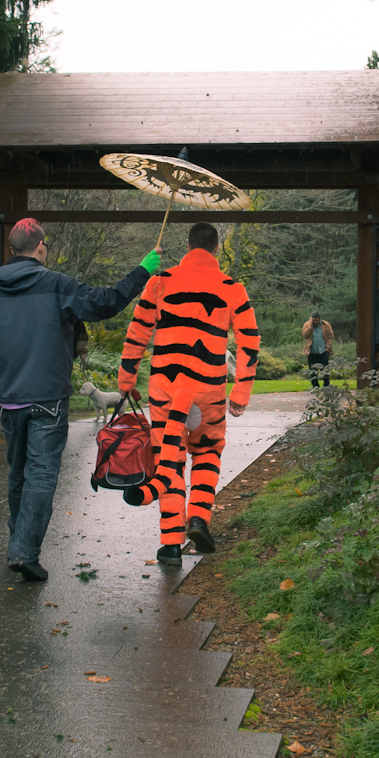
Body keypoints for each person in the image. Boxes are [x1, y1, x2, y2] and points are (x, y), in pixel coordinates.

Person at [0, 218, 161, 582]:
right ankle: (24, 551)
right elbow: (105, 302)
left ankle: (18, 541)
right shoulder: (57, 285)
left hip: (9, 400)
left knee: (19, 472)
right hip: (48, 398)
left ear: (12, 250)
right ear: (40, 247)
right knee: (41, 473)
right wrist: (142, 271)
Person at [116, 222, 261, 567]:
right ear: (215, 248)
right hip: (208, 392)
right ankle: (198, 518)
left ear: (187, 245)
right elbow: (250, 341)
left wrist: (126, 381)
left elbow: (137, 333)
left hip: (165, 390)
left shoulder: (160, 282)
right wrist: (240, 392)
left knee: (170, 458)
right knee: (207, 453)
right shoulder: (232, 288)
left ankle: (170, 545)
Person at [302, 311, 335, 388]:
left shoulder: (326, 325)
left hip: (323, 350)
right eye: (314, 320)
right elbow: (305, 336)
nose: (315, 322)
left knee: (325, 369)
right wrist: (310, 326)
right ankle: (315, 386)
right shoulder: (307, 325)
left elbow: (330, 336)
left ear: (319, 318)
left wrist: (328, 347)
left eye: (316, 320)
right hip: (312, 351)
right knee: (313, 370)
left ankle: (326, 385)